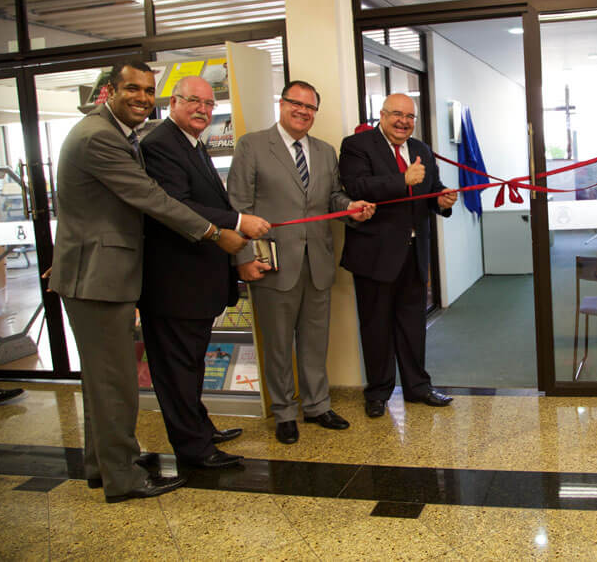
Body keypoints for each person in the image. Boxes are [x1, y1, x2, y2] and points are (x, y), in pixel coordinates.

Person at [48, 61, 247, 503]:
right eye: (131, 89)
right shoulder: (100, 136)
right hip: (98, 278)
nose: (141, 97)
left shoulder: (120, 134)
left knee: (102, 382)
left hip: (97, 271)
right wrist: (216, 232)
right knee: (115, 384)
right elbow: (151, 198)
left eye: (146, 89)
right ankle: (122, 478)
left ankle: (102, 466)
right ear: (109, 91)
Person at [228, 80, 374, 444]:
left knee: (314, 341)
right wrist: (243, 259)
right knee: (278, 343)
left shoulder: (324, 151)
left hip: (318, 262)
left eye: (310, 108)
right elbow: (238, 206)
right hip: (272, 263)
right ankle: (284, 412)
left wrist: (350, 208)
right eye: (297, 104)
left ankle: (317, 406)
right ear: (281, 104)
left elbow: (333, 197)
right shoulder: (252, 146)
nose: (303, 112)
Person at [138, 76, 271, 468]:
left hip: (195, 284)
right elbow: (176, 206)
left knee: (191, 365)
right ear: (173, 103)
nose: (203, 110)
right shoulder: (160, 145)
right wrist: (239, 221)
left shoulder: (192, 143)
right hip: (174, 285)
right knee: (178, 370)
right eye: (193, 101)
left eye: (209, 104)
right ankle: (194, 450)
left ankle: (200, 428)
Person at [339, 93, 458, 418]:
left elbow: (431, 189)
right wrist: (401, 180)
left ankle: (418, 387)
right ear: (382, 115)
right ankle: (378, 392)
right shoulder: (357, 146)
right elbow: (356, 187)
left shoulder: (421, 150)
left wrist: (442, 200)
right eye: (397, 114)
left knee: (413, 325)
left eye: (410, 116)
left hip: (414, 253)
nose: (403, 122)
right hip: (374, 255)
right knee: (376, 327)